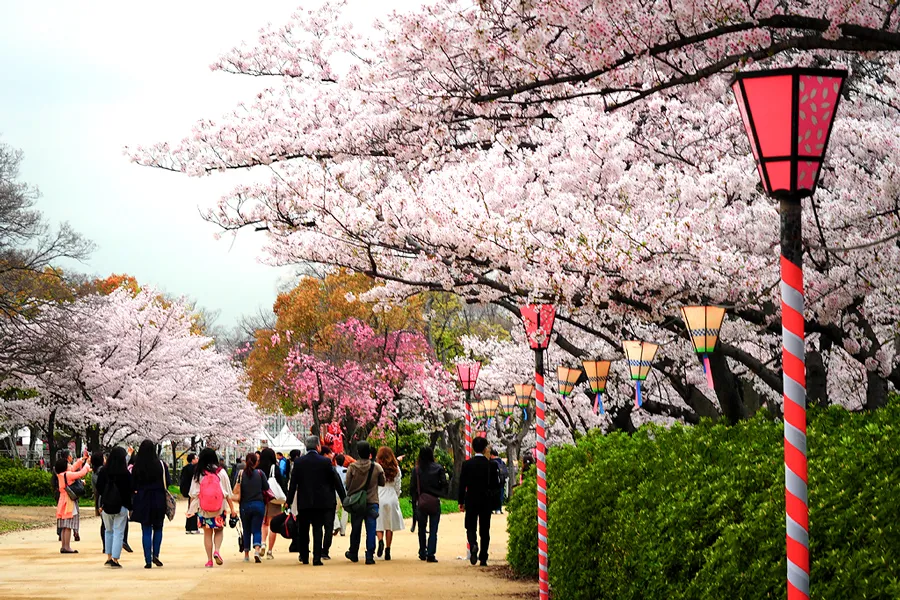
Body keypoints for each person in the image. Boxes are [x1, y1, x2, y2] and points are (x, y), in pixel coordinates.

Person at [286, 435, 346, 565]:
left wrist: (288, 500)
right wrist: (343, 498)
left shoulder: (299, 462)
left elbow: (293, 484)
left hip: (304, 501)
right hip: (320, 501)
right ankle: (317, 557)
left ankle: (304, 556)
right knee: (317, 529)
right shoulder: (325, 462)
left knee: (303, 529)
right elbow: (336, 481)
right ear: (318, 447)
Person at [187, 448, 237, 567]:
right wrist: (232, 509)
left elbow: (193, 493)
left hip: (203, 508)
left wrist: (190, 509)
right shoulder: (221, 472)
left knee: (207, 533)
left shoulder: (198, 473)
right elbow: (227, 493)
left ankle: (209, 560)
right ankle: (217, 551)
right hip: (219, 507)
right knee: (218, 530)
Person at [458, 436, 502, 566]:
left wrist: (461, 501)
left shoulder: (467, 464)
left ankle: (473, 544)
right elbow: (496, 486)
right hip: (486, 500)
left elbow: (462, 484)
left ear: (472, 448)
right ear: (484, 449)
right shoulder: (491, 465)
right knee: (485, 529)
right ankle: (483, 557)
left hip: (471, 498)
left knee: (470, 526)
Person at [130, 439, 171, 569]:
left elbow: (133, 484)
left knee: (146, 529)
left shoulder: (137, 466)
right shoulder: (161, 464)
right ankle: (156, 554)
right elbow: (168, 482)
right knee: (158, 528)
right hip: (158, 498)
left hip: (143, 499)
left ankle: (147, 559)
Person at [343, 441, 385, 565]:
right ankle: (369, 555)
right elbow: (382, 482)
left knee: (356, 528)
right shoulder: (376, 467)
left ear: (358, 452)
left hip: (356, 503)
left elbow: (348, 485)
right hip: (372, 501)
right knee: (371, 528)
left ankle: (353, 553)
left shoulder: (352, 467)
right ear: (370, 453)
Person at [410, 446, 448, 562]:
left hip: (421, 501)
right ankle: (431, 553)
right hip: (434, 501)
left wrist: (415, 501)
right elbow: (445, 484)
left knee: (421, 528)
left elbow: (412, 488)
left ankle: (422, 551)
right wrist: (440, 493)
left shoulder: (416, 470)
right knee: (433, 529)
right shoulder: (438, 468)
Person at [96, 447, 132, 568]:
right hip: (121, 506)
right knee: (119, 532)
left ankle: (109, 557)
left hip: (106, 506)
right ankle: (115, 559)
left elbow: (99, 487)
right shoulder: (125, 473)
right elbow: (129, 491)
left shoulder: (103, 471)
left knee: (108, 531)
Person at [55, 449, 90, 554]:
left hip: (62, 500)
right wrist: (87, 465)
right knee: (69, 525)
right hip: (69, 501)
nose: (69, 465)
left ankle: (64, 546)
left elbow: (73, 468)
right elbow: (81, 473)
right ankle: (67, 547)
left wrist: (81, 460)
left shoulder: (61, 475)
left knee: (64, 526)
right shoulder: (68, 475)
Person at [236, 452, 269, 563]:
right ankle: (256, 551)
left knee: (246, 530)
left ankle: (246, 554)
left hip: (245, 506)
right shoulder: (260, 473)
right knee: (256, 529)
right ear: (256, 462)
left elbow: (236, 488)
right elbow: (266, 487)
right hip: (258, 504)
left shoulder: (241, 474)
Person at [375, 446, 404, 561]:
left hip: (380, 494)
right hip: (391, 495)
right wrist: (396, 495)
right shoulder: (396, 468)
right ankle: (388, 548)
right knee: (389, 525)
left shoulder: (377, 468)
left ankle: (380, 540)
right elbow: (398, 485)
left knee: (379, 522)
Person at [258, 447, 287, 559]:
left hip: (262, 498)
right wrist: (286, 498)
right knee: (273, 525)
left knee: (263, 523)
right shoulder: (275, 468)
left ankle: (262, 543)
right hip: (274, 498)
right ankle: (270, 551)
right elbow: (282, 483)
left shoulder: (258, 468)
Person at [180, 453, 200, 534]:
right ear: (193, 460)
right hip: (193, 491)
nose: (197, 459)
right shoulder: (194, 468)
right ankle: (193, 527)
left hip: (187, 490)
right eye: (196, 458)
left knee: (190, 508)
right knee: (194, 508)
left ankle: (188, 527)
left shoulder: (185, 468)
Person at [332, 454, 349, 537]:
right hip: (345, 493)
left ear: (336, 461)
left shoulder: (333, 470)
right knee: (345, 511)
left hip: (335, 493)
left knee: (334, 511)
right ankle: (343, 530)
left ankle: (336, 525)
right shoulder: (347, 470)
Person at [490, 449, 509, 514]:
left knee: (492, 495)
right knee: (500, 495)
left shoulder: (491, 462)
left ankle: (491, 509)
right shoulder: (502, 462)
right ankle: (499, 509)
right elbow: (506, 472)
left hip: (493, 483)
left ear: (492, 455)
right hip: (502, 481)